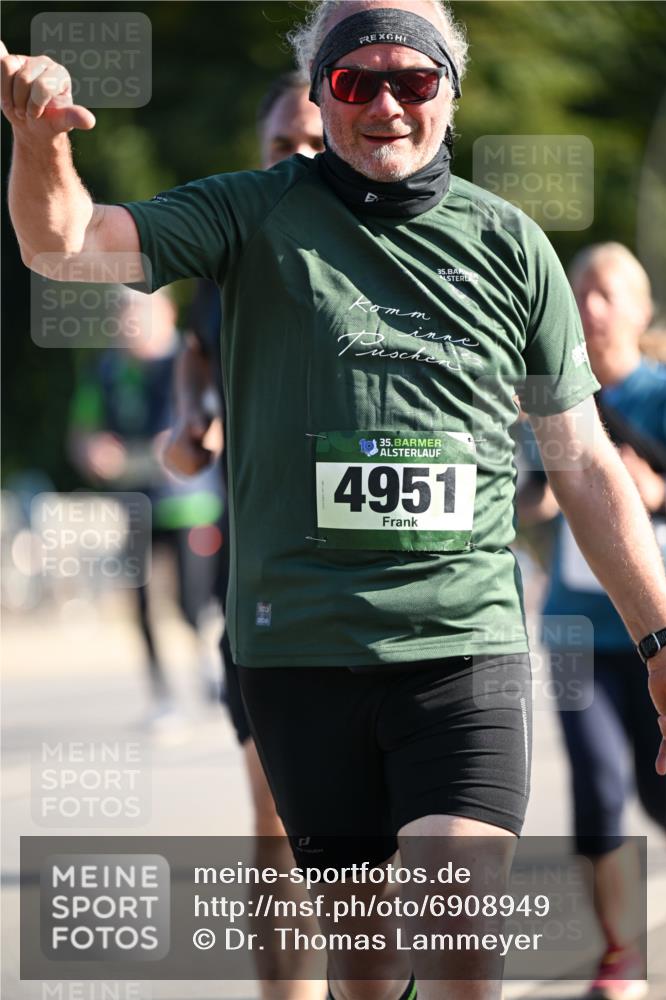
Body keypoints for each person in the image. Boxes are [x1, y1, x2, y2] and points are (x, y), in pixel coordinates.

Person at [3, 3, 666, 997]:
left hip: (460, 652)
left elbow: (581, 465)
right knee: (363, 968)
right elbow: (62, 246)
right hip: (300, 654)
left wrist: (659, 640)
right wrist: (37, 145)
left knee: (454, 938)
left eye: (414, 80)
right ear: (320, 94)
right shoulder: (253, 213)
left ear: (452, 90)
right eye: (357, 82)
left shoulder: (512, 248)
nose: (387, 104)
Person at [163, 70, 326, 1000]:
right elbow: (194, 351)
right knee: (275, 831)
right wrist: (193, 422)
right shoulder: (229, 257)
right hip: (263, 595)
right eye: (280, 147)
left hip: (390, 599)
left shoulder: (402, 253)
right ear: (257, 156)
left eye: (314, 144)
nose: (299, 162)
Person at [519, 244, 666, 1000]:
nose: (592, 306)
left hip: (661, 640)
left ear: (641, 312)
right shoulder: (550, 400)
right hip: (576, 633)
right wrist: (540, 497)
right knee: (598, 788)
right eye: (579, 292)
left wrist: (650, 492)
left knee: (657, 795)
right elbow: (523, 505)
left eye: (609, 292)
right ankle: (618, 952)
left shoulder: (661, 396)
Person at [68, 287, 224, 727]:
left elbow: (215, 429)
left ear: (165, 312)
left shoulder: (189, 360)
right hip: (132, 504)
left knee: (194, 601)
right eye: (123, 315)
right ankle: (163, 696)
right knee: (139, 605)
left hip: (188, 504)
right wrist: (93, 451)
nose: (130, 324)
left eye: (139, 313)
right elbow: (81, 435)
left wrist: (184, 444)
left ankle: (209, 667)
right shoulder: (106, 369)